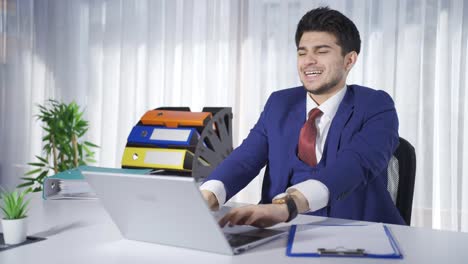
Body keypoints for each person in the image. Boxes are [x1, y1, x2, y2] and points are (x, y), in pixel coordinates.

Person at [200, 6, 405, 227]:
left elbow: (357, 163)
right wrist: (209, 194)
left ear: (349, 60)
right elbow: (246, 158)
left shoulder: (375, 105)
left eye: (321, 51)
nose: (308, 61)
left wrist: (290, 205)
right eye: (302, 52)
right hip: (280, 231)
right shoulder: (279, 104)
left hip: (357, 234)